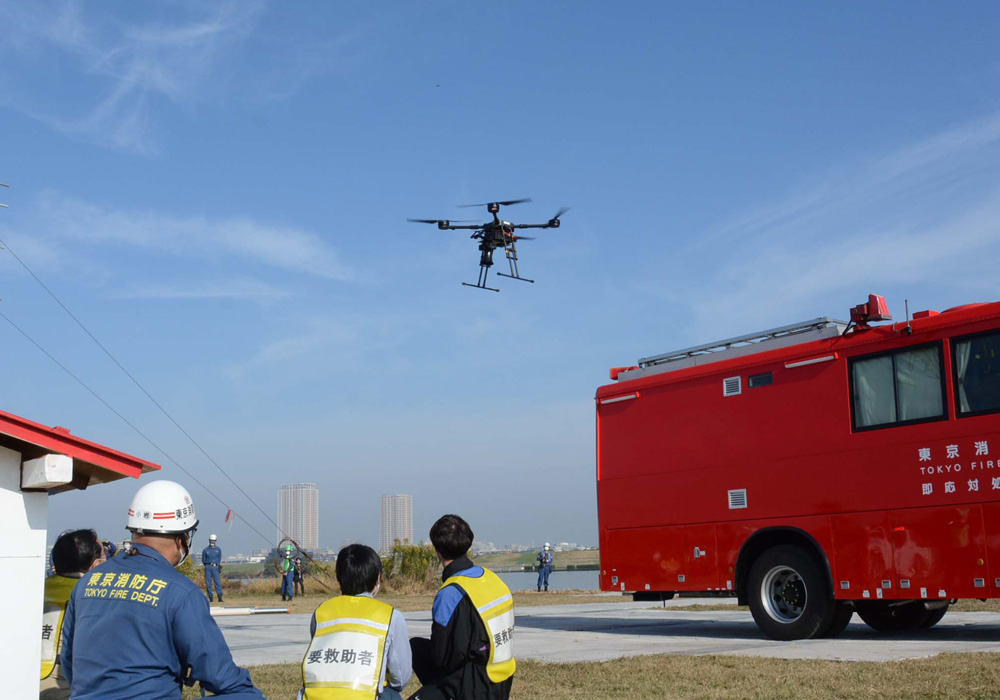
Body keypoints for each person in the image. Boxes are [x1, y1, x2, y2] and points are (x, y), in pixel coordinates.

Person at [60, 480, 265, 700]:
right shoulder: (181, 592)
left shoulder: (87, 583)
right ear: (181, 538)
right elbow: (218, 673)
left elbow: (69, 660)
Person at [409, 514, 515, 700]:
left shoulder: (451, 593)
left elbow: (442, 657)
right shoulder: (492, 579)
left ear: (437, 550)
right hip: (502, 679)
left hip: (473, 686)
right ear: (468, 542)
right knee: (416, 646)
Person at [299, 544, 411, 700]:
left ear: (338, 577)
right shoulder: (391, 616)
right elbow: (400, 678)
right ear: (378, 578)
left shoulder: (321, 612)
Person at [40, 529, 105, 700]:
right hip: (65, 687)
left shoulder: (37, 589)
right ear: (95, 565)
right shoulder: (95, 596)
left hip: (23, 682)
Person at [203, 533, 225, 602]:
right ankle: (210, 597)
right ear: (209, 540)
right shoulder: (205, 550)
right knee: (208, 583)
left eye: (214, 540)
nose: (212, 542)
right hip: (208, 567)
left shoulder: (218, 549)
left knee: (217, 582)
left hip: (215, 567)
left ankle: (220, 597)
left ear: (216, 541)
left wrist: (217, 566)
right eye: (211, 540)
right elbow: (203, 560)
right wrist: (207, 565)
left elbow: (219, 558)